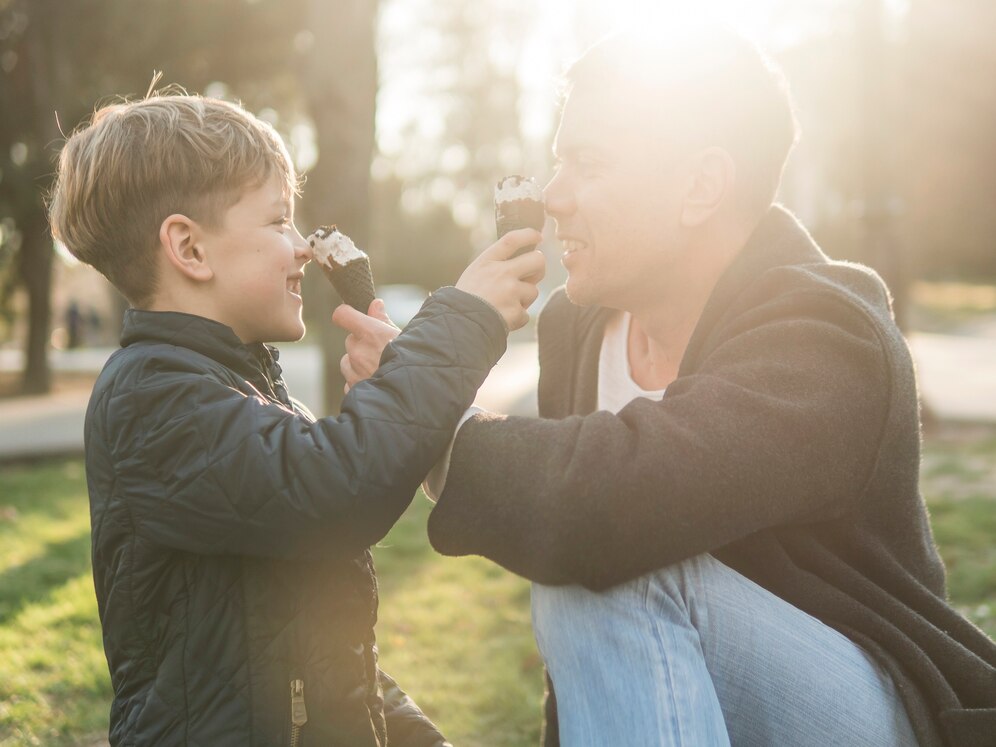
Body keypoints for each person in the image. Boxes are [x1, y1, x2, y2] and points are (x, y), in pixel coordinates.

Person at [336, 24, 996, 747]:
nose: (553, 196)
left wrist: (435, 426)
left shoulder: (829, 332)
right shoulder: (576, 330)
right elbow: (601, 637)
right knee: (590, 571)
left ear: (700, 186)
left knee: (617, 567)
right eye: (558, 162)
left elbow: (617, 502)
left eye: (587, 162)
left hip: (871, 713)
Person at [47, 91, 544, 745]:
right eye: (279, 221)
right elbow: (337, 489)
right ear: (190, 249)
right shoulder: (151, 400)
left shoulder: (246, 392)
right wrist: (462, 321)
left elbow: (320, 643)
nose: (303, 247)